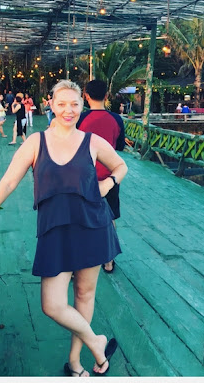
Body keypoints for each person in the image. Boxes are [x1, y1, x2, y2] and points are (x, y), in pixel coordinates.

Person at [0, 80, 125, 377]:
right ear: (50, 104)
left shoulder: (91, 141)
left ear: (82, 105)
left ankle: (75, 362)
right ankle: (96, 341)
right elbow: (8, 182)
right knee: (52, 304)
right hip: (55, 230)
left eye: (74, 104)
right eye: (61, 104)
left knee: (84, 295)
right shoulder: (37, 142)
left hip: (93, 225)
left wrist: (108, 184)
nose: (68, 110)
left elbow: (121, 166)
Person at [76, 80, 126, 274]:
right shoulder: (116, 119)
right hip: (110, 175)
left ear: (86, 96)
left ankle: (79, 261)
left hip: (84, 176)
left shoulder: (80, 119)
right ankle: (108, 261)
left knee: (80, 219)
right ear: (106, 95)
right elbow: (119, 146)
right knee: (109, 218)